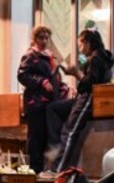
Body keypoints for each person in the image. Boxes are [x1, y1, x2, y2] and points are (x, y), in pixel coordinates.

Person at [43, 29, 114, 177]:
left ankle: (58, 170)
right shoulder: (104, 57)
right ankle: (55, 154)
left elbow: (90, 83)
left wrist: (76, 73)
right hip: (86, 97)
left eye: (80, 45)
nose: (80, 49)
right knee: (55, 111)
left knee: (70, 132)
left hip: (88, 98)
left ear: (87, 43)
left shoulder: (95, 59)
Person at [17, 25, 69, 174]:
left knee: (48, 139)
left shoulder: (50, 56)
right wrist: (41, 81)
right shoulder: (30, 56)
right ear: (34, 39)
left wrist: (63, 87)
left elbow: (54, 77)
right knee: (36, 139)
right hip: (36, 104)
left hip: (50, 103)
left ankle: (45, 172)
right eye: (41, 37)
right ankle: (34, 171)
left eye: (47, 37)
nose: (44, 40)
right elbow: (23, 75)